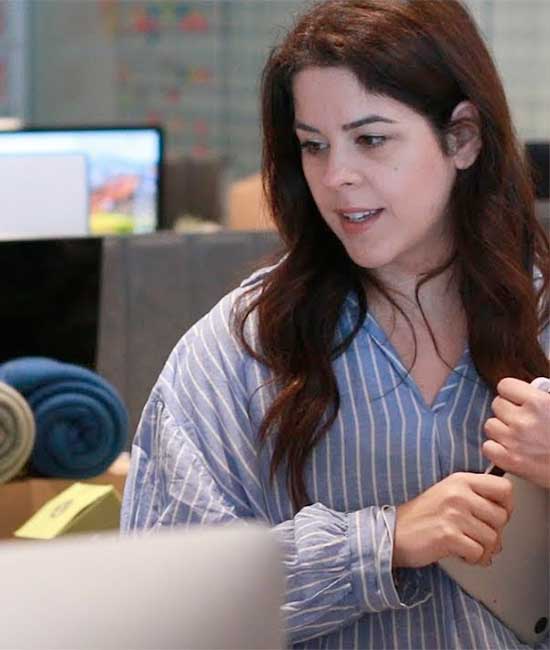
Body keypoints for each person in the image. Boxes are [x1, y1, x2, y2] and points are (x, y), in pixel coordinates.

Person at [121, 1, 550, 647]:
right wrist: (378, 544)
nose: (336, 177)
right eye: (313, 146)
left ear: (462, 138)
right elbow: (161, 603)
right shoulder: (245, 344)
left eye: (371, 139)